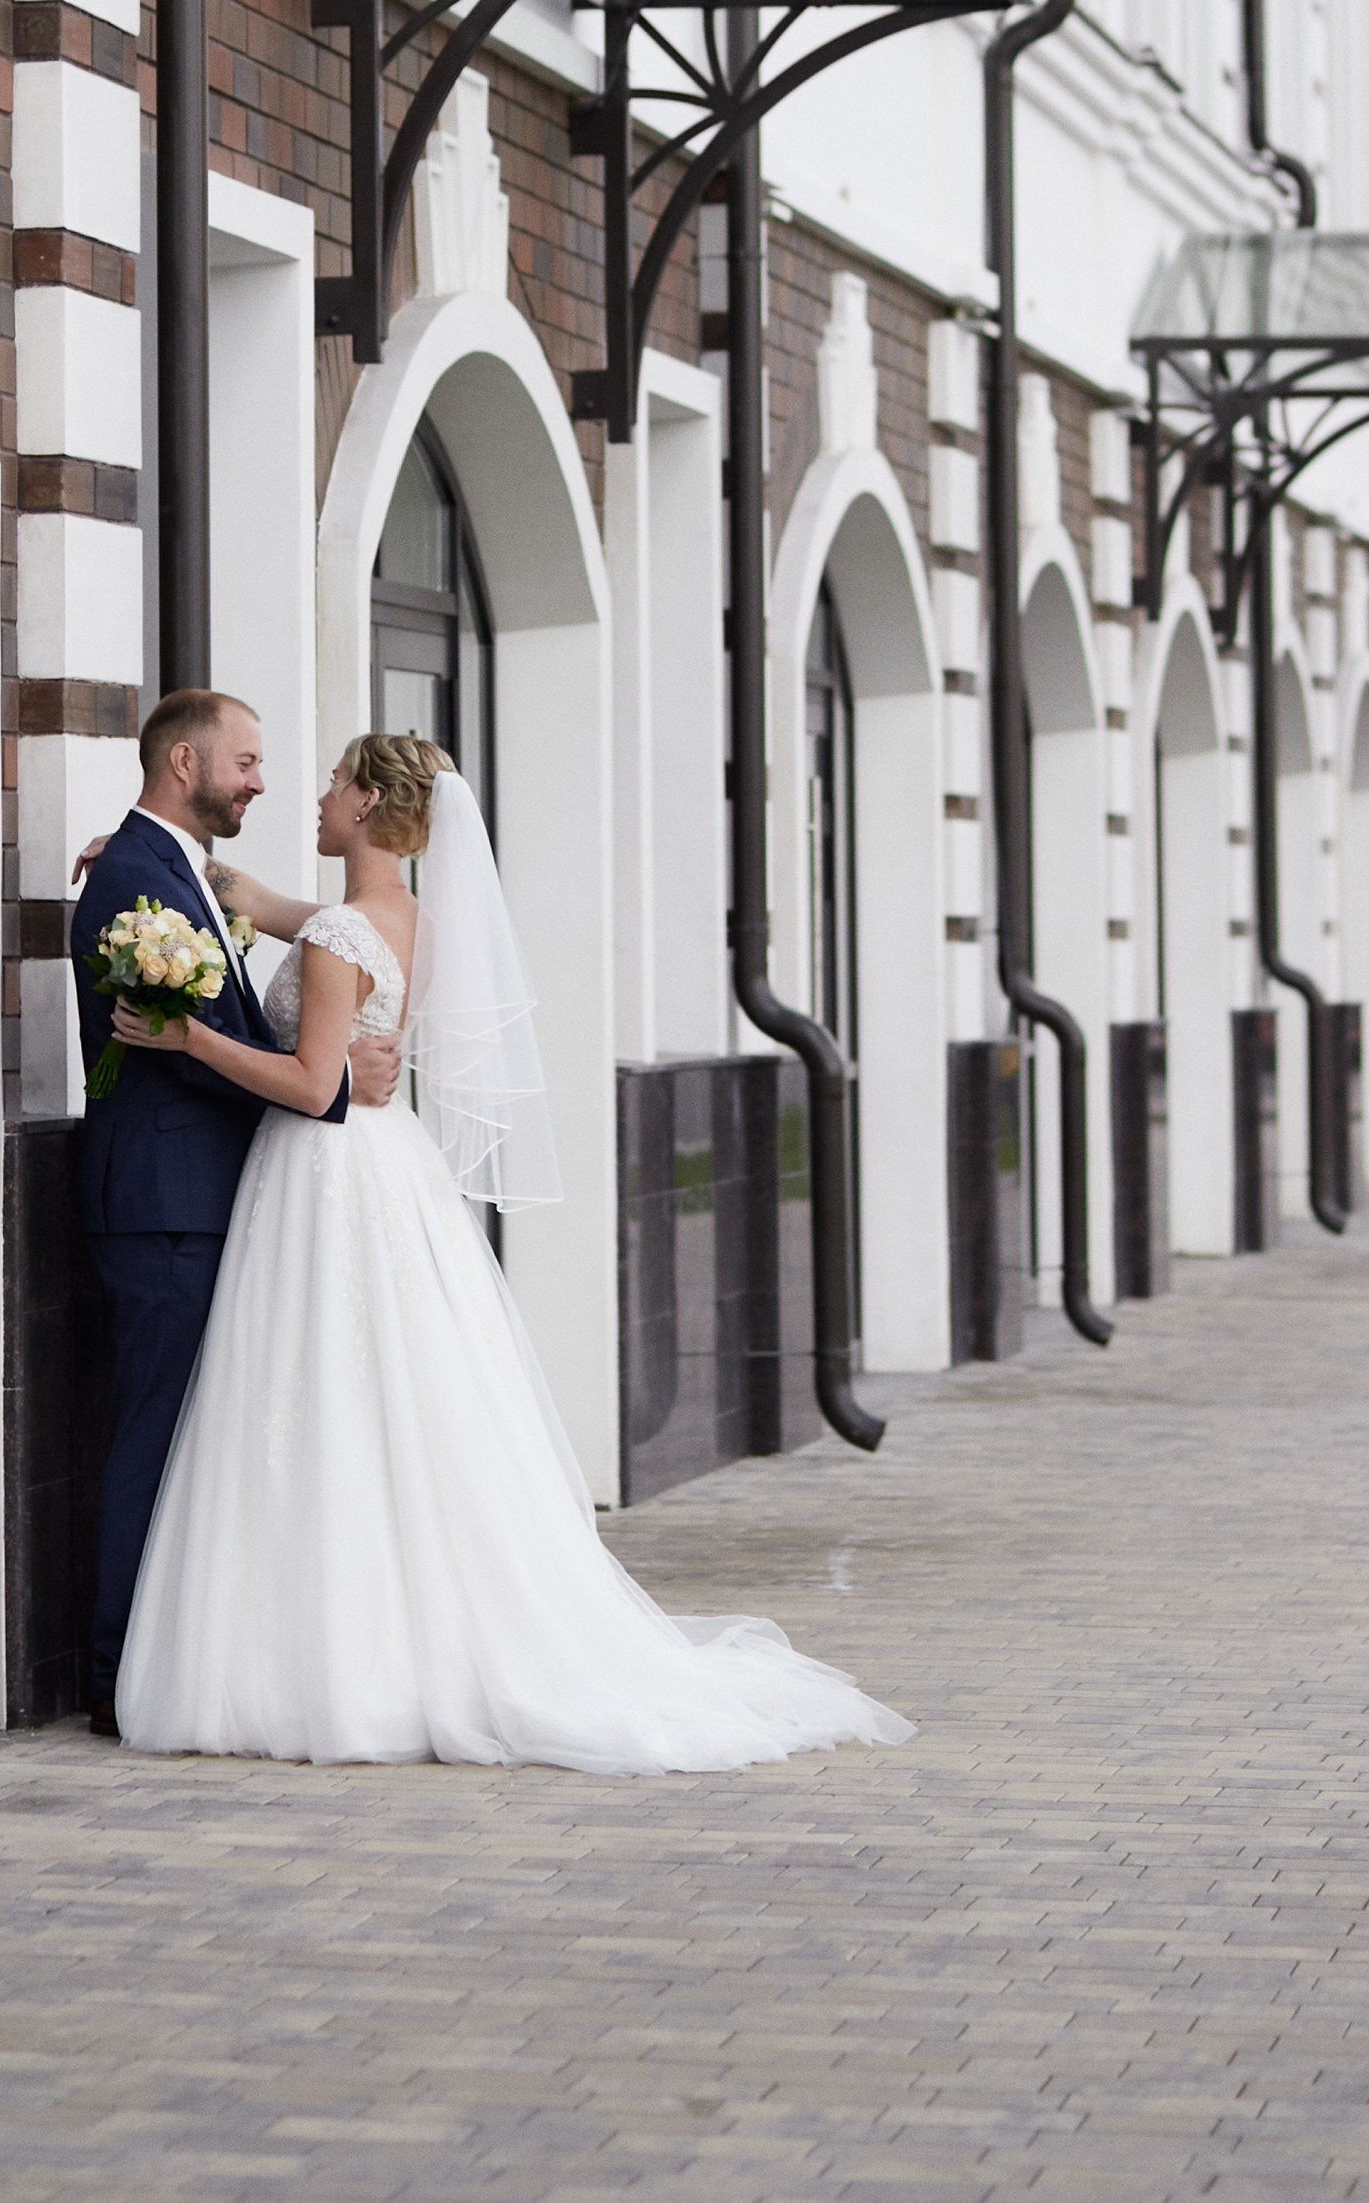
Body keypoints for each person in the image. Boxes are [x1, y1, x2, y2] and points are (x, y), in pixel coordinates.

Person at [108, 733, 913, 1774]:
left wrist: (189, 1041)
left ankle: (330, 1658)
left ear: (368, 805)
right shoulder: (407, 921)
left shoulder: (341, 932)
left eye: (335, 782)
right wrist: (187, 873)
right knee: (390, 1398)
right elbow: (295, 924)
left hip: (325, 1169)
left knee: (323, 1397)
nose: (315, 794)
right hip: (391, 1170)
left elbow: (315, 1086)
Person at [71, 688, 404, 1731]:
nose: (264, 779)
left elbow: (227, 977)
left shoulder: (172, 870)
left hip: (214, 1197)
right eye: (247, 760)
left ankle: (176, 1656)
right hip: (166, 1205)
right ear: (183, 763)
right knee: (159, 1437)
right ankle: (118, 1673)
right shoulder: (135, 875)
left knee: (196, 1439)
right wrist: (333, 1074)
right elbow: (191, 1043)